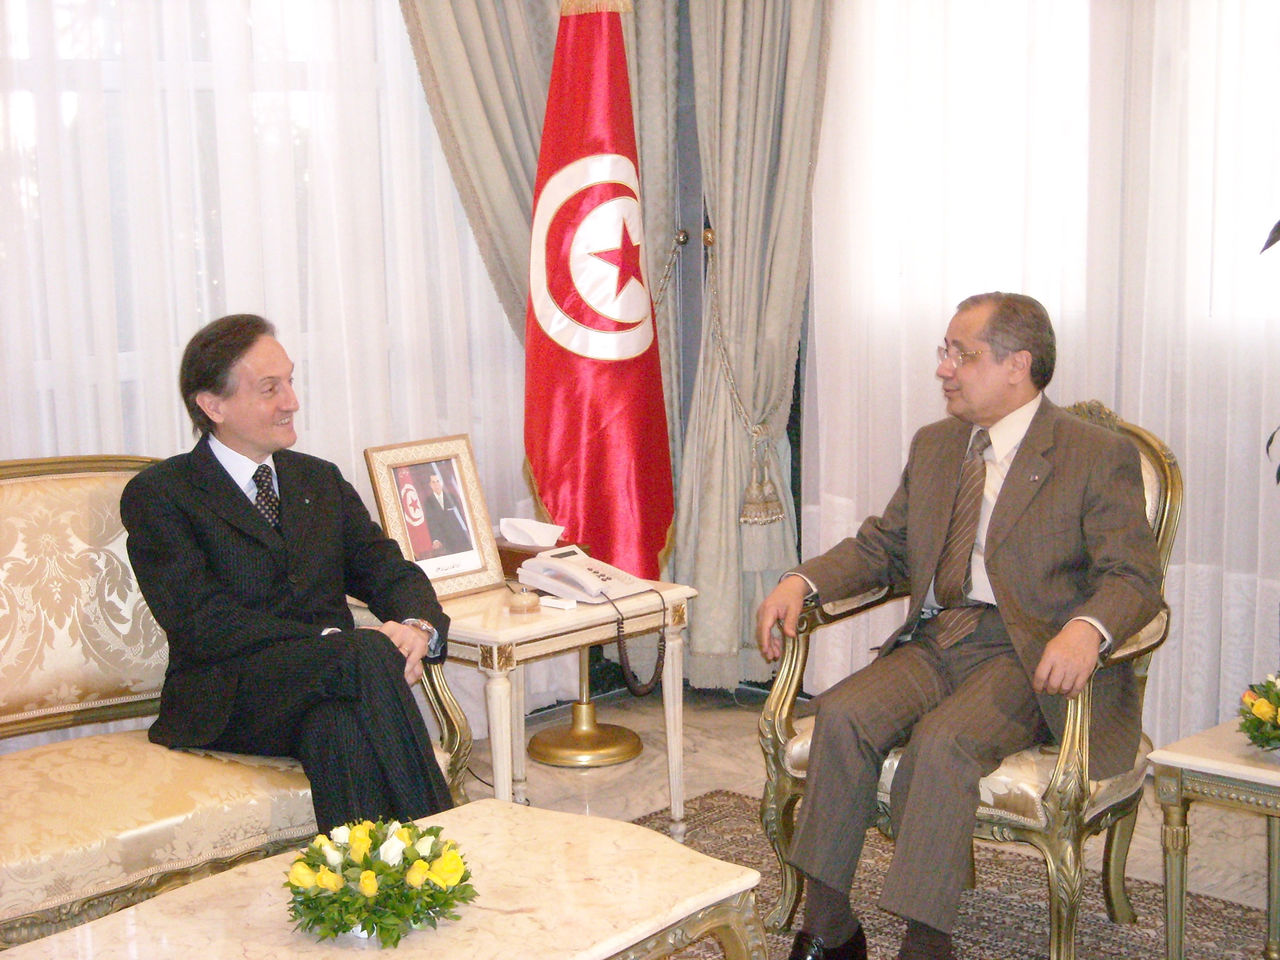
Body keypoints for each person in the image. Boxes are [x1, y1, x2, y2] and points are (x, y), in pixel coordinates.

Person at [755, 293, 1164, 960]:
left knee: (944, 745)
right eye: (945, 351)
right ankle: (829, 929)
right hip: (940, 637)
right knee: (842, 715)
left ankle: (926, 943)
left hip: (1027, 653)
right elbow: (883, 547)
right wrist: (801, 581)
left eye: (961, 354)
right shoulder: (938, 445)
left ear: (1017, 365)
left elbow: (1135, 577)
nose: (944, 367)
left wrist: (1087, 628)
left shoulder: (1094, 454)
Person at [121, 313, 454, 833]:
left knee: (338, 726)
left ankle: (367, 899)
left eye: (290, 381)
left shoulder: (318, 479)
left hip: (331, 685)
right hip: (231, 698)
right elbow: (200, 621)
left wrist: (418, 626)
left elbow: (384, 567)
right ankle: (446, 850)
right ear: (213, 405)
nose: (291, 401)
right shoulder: (163, 494)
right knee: (363, 650)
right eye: (269, 388)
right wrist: (327, 643)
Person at [421, 472, 471, 555]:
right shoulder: (428, 502)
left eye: (438, 481)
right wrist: (436, 540)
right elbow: (431, 523)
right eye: (433, 482)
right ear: (430, 485)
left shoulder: (451, 497)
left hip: (457, 539)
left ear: (442, 482)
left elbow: (459, 518)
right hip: (442, 541)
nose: (436, 484)